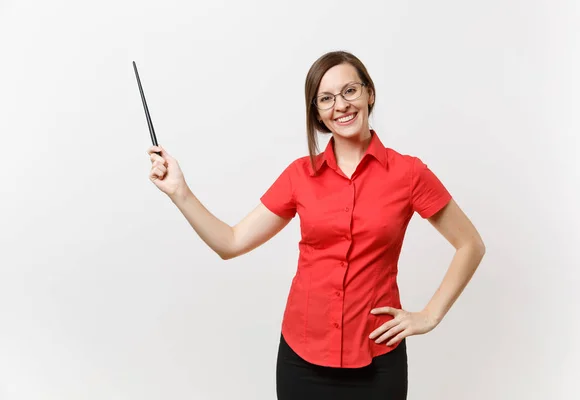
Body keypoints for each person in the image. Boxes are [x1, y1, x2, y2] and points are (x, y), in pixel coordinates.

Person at [146, 51, 486, 400]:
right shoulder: (300, 175)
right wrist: (180, 192)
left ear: (369, 93)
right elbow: (230, 243)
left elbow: (470, 244)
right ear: (317, 112)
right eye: (326, 98)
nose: (341, 105)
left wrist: (429, 316)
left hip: (378, 358)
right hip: (302, 359)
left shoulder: (409, 173)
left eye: (350, 91)